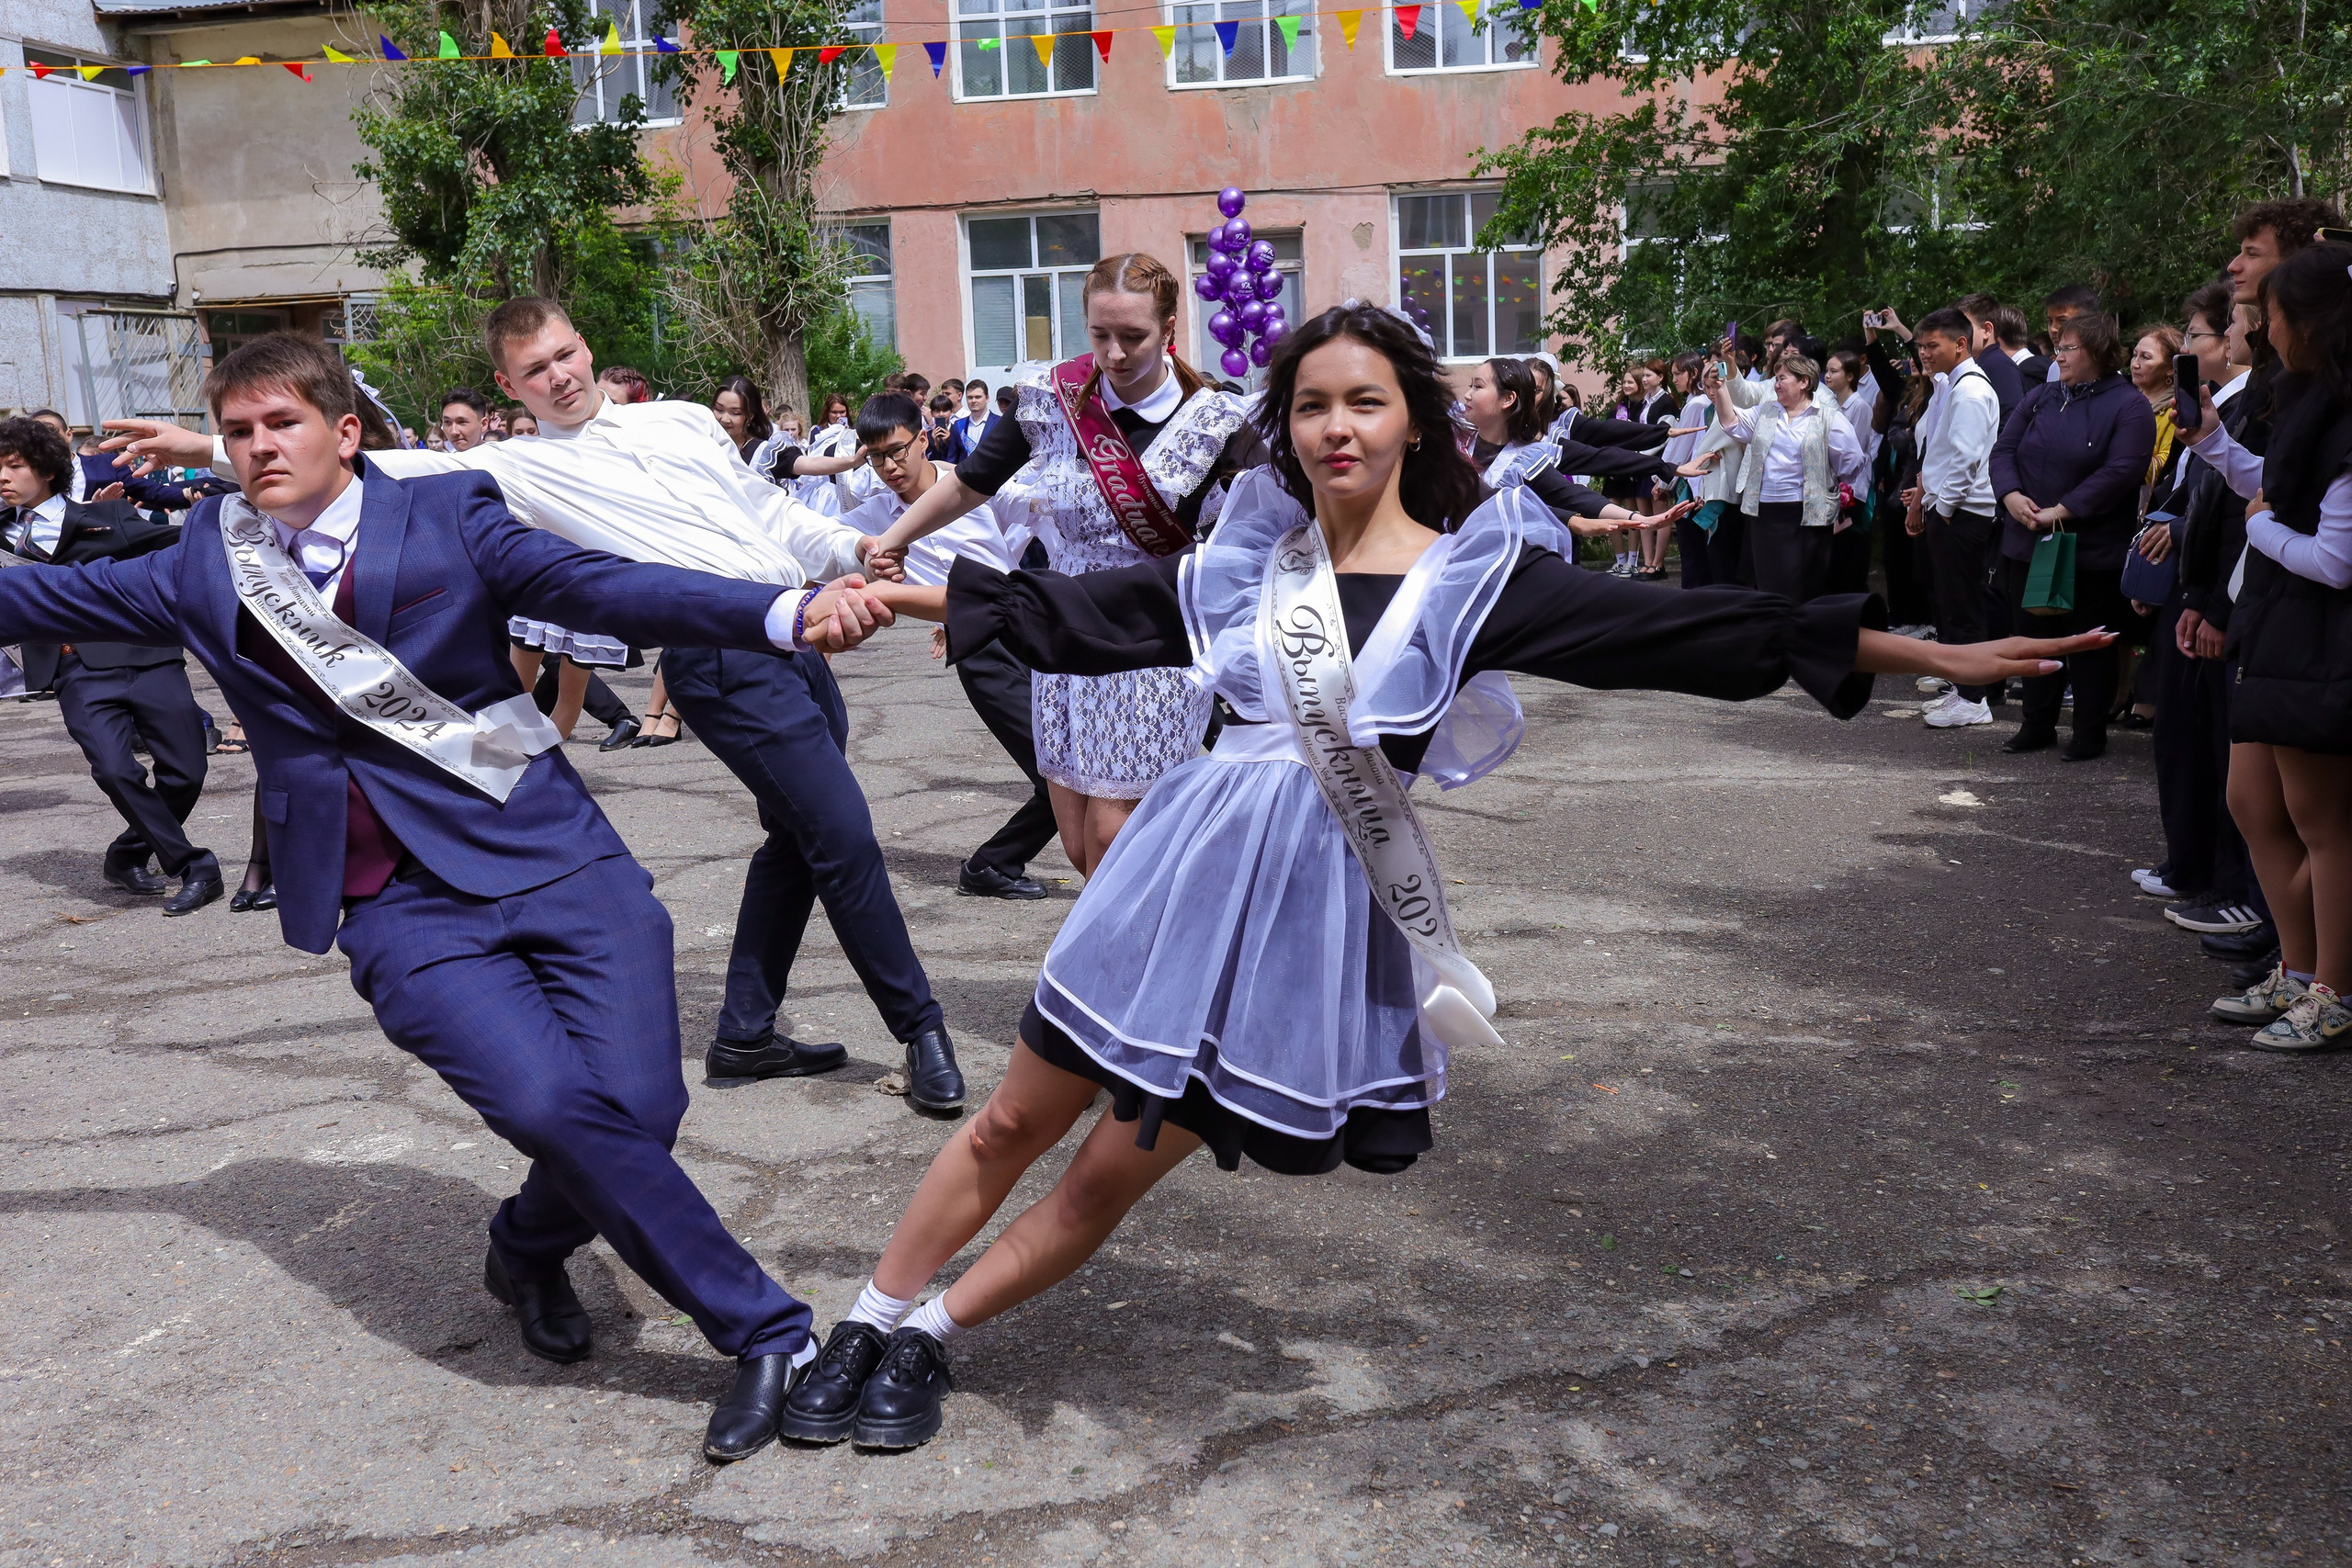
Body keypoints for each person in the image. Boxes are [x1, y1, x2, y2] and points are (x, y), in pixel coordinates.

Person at [758, 302, 2108, 1451]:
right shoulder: (1244, 566)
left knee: (1109, 1173)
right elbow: (1074, 611)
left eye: (1365, 402)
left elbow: (1694, 631)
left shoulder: (1474, 582)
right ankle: (866, 1317)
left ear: (1412, 419)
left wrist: (1941, 658)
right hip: (1173, 883)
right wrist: (893, 596)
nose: (1337, 427)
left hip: (1301, 923)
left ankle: (933, 1334)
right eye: (1312, 407)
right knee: (1007, 1121)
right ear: (1284, 426)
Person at [0, 332, 914, 1460]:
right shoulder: (201, 561)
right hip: (392, 897)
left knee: (639, 1114)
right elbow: (31, 595)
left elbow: (596, 582)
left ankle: (526, 1247)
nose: (255, 448)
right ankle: (764, 1330)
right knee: (545, 1107)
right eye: (236, 432)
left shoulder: (449, 516)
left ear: (344, 432)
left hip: (548, 850)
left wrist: (779, 611)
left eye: (279, 424)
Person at [865, 253, 1268, 879]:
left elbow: (1263, 528)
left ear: (1169, 329)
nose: (1114, 353)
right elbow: (970, 483)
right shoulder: (1049, 402)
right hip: (1062, 637)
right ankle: (1132, 960)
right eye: (1101, 334)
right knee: (1081, 844)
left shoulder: (1216, 421)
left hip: (1149, 642)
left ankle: (1126, 972)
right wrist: (891, 539)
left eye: (1133, 336)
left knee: (1116, 842)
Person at [2177, 242, 2352, 1048]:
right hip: (2281, 631)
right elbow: (2275, 494)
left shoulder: (2342, 415)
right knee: (2254, 800)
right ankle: (2298, 964)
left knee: (2325, 823)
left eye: (2271, 318)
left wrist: (2265, 529)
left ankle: (2332, 986)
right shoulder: (2307, 397)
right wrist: (2213, 441)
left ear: (2308, 322)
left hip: (2320, 638)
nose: (2262, 332)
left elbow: (2335, 558)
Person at [836, 392, 1056, 900]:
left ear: (924, 437)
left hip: (1036, 629)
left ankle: (999, 862)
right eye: (875, 457)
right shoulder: (872, 517)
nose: (889, 467)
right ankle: (992, 864)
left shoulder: (972, 485)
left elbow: (1035, 516)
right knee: (1053, 767)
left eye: (897, 450)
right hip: (982, 650)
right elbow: (815, 550)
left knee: (1074, 759)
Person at [0, 414, 215, 911]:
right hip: (75, 670)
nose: (3, 477)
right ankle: (193, 865)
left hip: (149, 657)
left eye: (14, 466)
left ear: (48, 469)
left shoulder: (109, 516)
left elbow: (182, 548)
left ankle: (126, 855)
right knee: (116, 771)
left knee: (186, 772)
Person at [2140, 281, 2265, 938]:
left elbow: (2248, 516)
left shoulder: (2257, 404)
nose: (2184, 347)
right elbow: (2198, 497)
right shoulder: (2219, 408)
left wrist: (2211, 601)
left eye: (2194, 336)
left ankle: (2240, 893)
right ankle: (2203, 871)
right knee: (2192, 739)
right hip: (2207, 591)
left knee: (2233, 762)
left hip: (2240, 599)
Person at [1990, 310, 2157, 761]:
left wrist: (2064, 510)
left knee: (2087, 643)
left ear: (2098, 352)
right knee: (2032, 637)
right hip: (2028, 539)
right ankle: (2037, 724)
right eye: (2057, 347)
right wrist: (2010, 496)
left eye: (2067, 348)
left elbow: (2122, 471)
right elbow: (2003, 449)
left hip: (2089, 549)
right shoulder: (2044, 395)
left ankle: (2088, 732)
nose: (2057, 355)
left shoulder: (2129, 404)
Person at [1690, 352, 1868, 604]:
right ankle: (1776, 633)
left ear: (1804, 382)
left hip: (1807, 515)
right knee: (1769, 585)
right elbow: (1731, 422)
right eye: (1775, 378)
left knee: (1802, 585)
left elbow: (1851, 461)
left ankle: (1801, 633)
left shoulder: (1828, 416)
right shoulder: (1766, 411)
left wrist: (1824, 475)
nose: (1776, 384)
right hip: (1765, 513)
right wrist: (1720, 389)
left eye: (1783, 378)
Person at [1902, 307, 2004, 728]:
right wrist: (1922, 500)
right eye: (1921, 346)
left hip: (1963, 513)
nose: (1924, 354)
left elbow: (1965, 458)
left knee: (1964, 607)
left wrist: (1942, 509)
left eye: (1932, 345)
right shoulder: (1948, 386)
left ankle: (1975, 698)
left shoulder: (1971, 391)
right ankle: (1962, 688)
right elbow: (1936, 453)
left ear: (1961, 344)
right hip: (1945, 509)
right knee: (1951, 605)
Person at [1457, 356, 1691, 537]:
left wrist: (1663, 457)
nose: (1467, 395)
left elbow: (1598, 461)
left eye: (1536, 390)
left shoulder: (1535, 448)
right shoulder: (1454, 437)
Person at [1956, 293, 2027, 426]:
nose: (1956, 334)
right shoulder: (1983, 363)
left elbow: (2011, 423)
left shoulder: (2000, 367)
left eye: (1963, 327)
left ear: (1987, 330)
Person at [712, 374, 777, 469]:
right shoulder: (703, 441)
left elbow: (793, 461)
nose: (725, 419)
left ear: (750, 416)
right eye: (719, 409)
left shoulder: (760, 452)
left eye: (735, 413)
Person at [948, 378, 997, 463]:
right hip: (964, 475)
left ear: (987, 398)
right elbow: (952, 457)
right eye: (970, 397)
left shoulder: (998, 423)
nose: (973, 401)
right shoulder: (958, 425)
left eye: (978, 397)